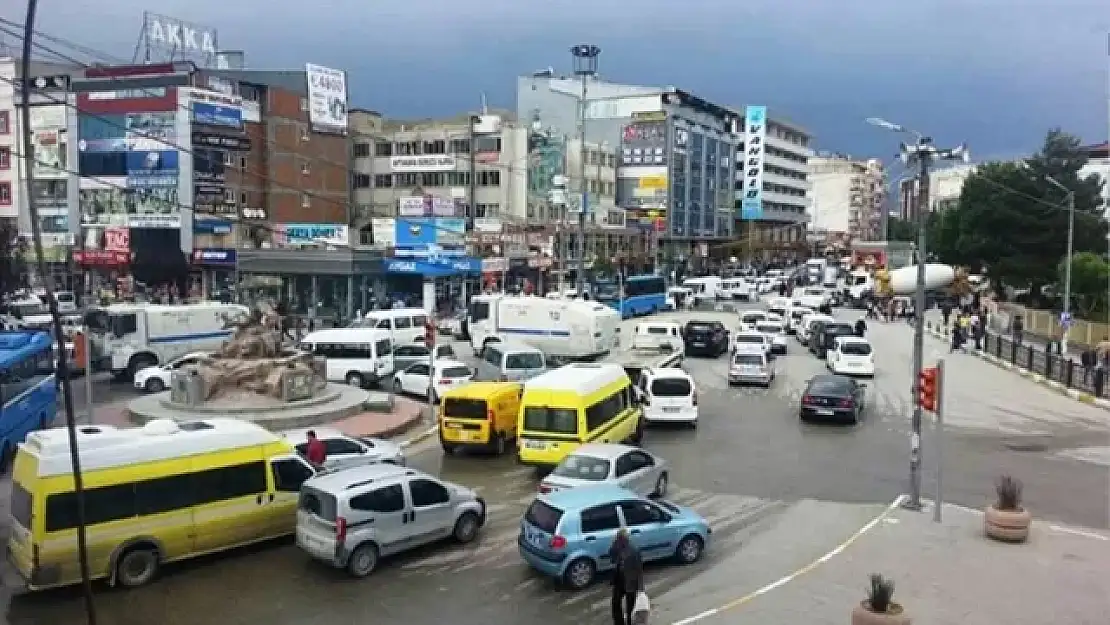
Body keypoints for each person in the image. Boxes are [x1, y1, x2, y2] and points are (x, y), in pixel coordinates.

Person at [609, 528, 644, 625]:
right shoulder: (616, 547)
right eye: (618, 538)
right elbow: (611, 557)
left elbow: (639, 569)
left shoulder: (634, 550)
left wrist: (641, 587)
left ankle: (629, 622)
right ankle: (619, 622)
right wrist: (614, 544)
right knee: (615, 603)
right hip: (619, 579)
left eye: (620, 538)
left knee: (630, 607)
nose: (619, 540)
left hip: (631, 581)